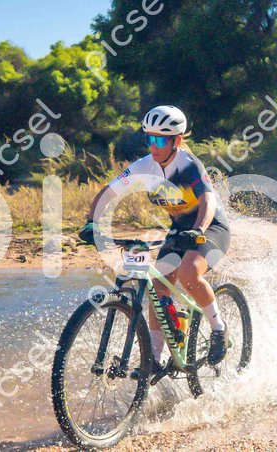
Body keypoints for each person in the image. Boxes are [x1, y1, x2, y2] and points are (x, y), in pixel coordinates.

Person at [79, 105, 231, 368]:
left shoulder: (188, 165)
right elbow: (110, 192)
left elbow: (208, 200)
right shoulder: (144, 166)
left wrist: (198, 231)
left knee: (189, 274)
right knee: (158, 288)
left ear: (176, 141)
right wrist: (92, 222)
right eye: (150, 139)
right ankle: (155, 358)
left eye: (161, 140)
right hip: (179, 231)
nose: (154, 146)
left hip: (209, 227)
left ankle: (218, 327)